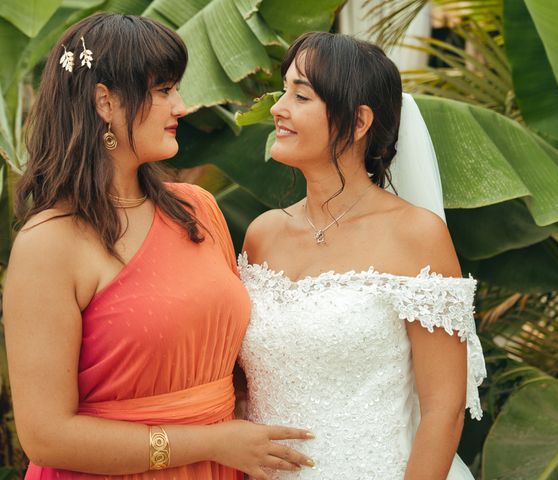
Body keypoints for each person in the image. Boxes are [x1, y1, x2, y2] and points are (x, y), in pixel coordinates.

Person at [3, 13, 314, 480]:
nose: (182, 106)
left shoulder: (197, 210)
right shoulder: (49, 242)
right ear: (105, 102)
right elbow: (47, 436)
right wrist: (210, 443)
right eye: (164, 90)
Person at [238, 32, 486, 479]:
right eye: (284, 91)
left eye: (301, 95)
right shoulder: (262, 234)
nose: (277, 108)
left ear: (357, 121)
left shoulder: (417, 235)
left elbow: (442, 410)